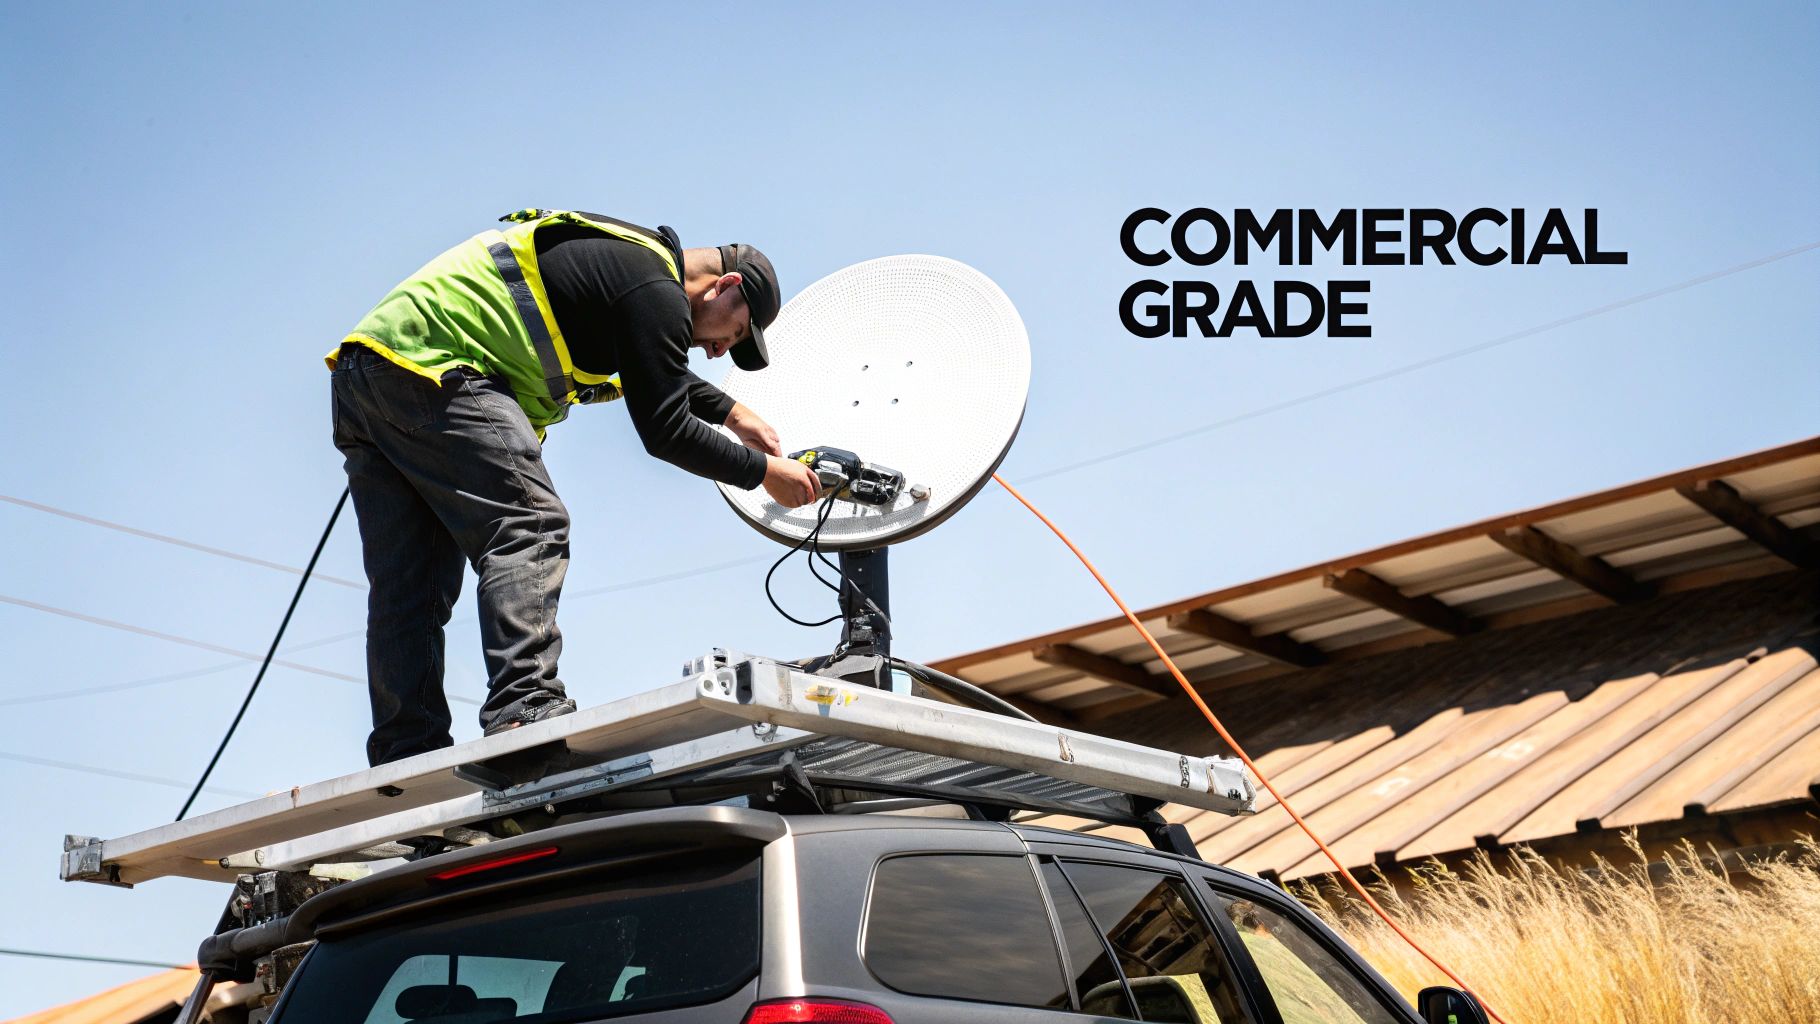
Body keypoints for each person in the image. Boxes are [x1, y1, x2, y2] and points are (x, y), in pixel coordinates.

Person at [326, 209, 821, 766]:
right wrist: (765, 474)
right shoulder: (653, 288)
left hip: (374, 369)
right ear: (725, 286)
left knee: (410, 589)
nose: (717, 351)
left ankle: (404, 752)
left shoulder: (630, 272)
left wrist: (730, 411)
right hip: (441, 371)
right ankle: (525, 706)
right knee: (530, 522)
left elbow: (652, 366)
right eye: (733, 334)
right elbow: (666, 429)